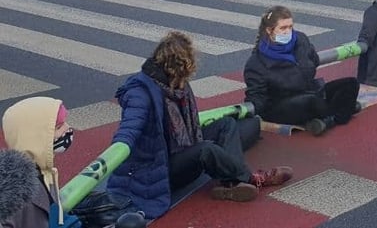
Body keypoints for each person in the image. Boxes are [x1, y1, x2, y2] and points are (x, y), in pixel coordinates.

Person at [109, 32, 292, 217]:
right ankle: (252, 179)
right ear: (176, 67)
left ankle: (232, 184)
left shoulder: (174, 84)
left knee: (226, 124)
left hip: (178, 148)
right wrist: (120, 145)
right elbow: (130, 126)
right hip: (160, 168)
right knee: (205, 149)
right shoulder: (141, 92)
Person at [244, 7, 361, 135]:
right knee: (312, 101)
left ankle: (330, 119)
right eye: (283, 28)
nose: (288, 31)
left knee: (350, 83)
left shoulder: (300, 40)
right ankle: (344, 110)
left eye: (290, 26)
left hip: (310, 90)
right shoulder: (257, 63)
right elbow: (257, 97)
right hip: (282, 105)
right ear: (269, 30)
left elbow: (314, 60)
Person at [0, 97, 77, 228]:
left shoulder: (42, 171)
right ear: (36, 137)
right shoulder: (21, 191)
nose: (68, 128)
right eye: (58, 127)